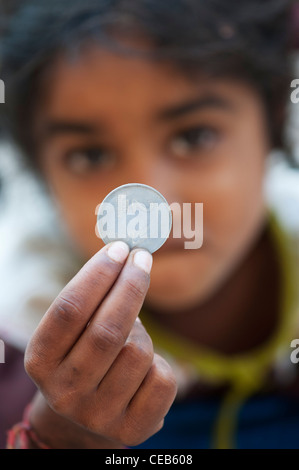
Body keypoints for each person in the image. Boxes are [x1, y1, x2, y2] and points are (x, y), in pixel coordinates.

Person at [0, 0, 299, 449]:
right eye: (90, 155)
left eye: (194, 136)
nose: (152, 200)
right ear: (42, 175)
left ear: (273, 125)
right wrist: (54, 439)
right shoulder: (15, 366)